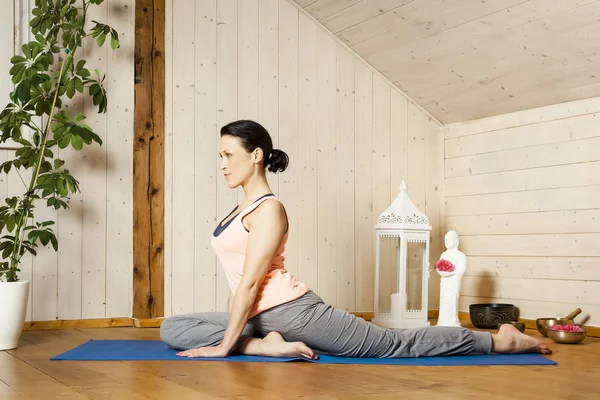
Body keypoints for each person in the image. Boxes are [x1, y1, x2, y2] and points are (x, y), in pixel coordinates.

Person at [160, 120, 551, 359]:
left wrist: (227, 344)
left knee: (394, 345)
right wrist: (241, 331)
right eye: (221, 155)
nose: (223, 164)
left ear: (257, 154)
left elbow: (249, 283)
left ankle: (501, 341)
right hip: (260, 321)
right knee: (173, 328)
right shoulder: (239, 209)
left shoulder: (268, 209)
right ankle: (267, 344)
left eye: (229, 155)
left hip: (294, 312)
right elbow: (236, 282)